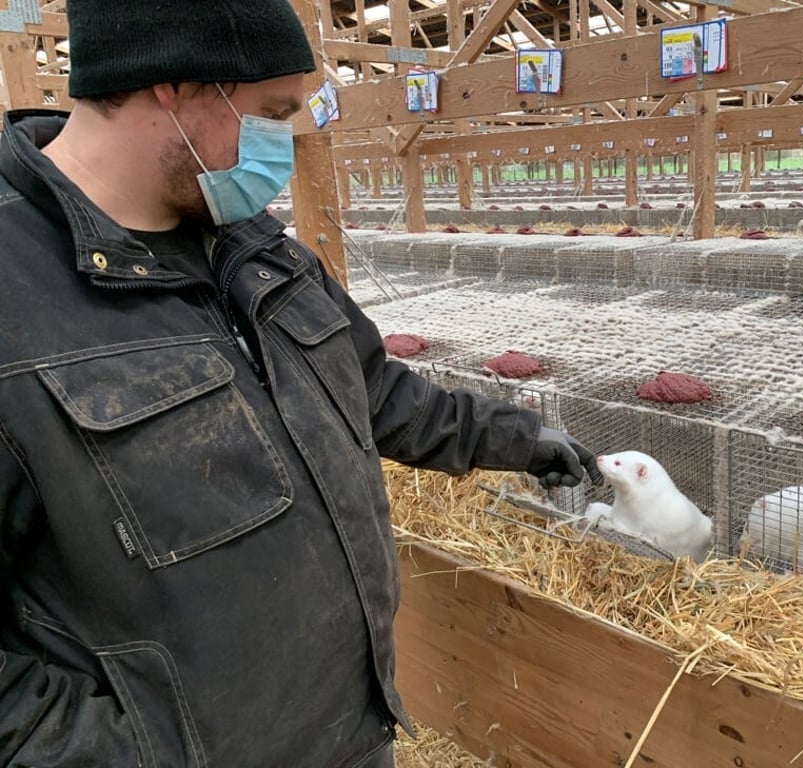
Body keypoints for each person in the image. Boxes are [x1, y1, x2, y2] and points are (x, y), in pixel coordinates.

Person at [0, 1, 601, 766]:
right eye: (272, 112)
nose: (281, 142)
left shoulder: (257, 249)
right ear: (175, 87)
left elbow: (374, 392)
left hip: (352, 731)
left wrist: (517, 438)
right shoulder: (14, 297)